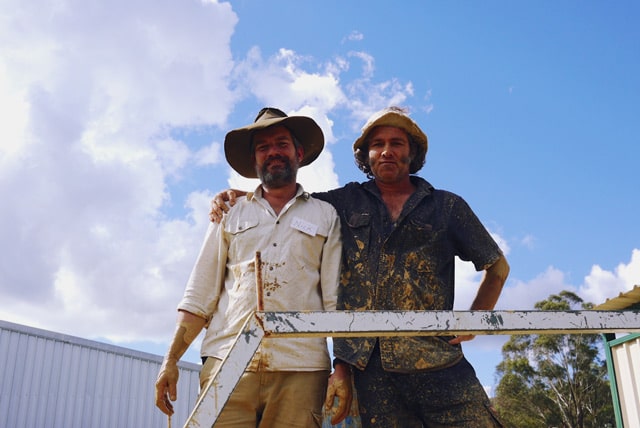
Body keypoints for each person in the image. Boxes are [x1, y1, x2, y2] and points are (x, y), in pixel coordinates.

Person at [210, 106, 510, 427]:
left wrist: (476, 319)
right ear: (366, 155)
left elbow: (497, 267)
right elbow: (291, 204)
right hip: (371, 373)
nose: (387, 151)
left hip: (438, 363)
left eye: (397, 143)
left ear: (413, 151)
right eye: (377, 144)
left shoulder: (447, 207)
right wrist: (241, 197)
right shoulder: (343, 203)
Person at [155, 107, 344, 427]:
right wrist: (170, 360)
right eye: (263, 146)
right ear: (255, 159)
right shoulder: (230, 212)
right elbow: (200, 294)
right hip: (227, 360)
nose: (273, 152)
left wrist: (342, 368)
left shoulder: (325, 216)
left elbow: (335, 302)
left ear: (298, 152)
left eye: (282, 143)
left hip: (301, 367)